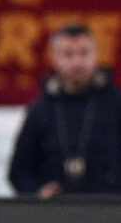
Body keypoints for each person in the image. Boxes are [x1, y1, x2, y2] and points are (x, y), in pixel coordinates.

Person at [9, 22, 121, 198]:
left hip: (110, 207)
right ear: (55, 58)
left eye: (84, 53)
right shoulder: (40, 110)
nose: (77, 62)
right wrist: (39, 192)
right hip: (54, 210)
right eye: (68, 54)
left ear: (95, 55)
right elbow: (18, 173)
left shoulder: (115, 105)